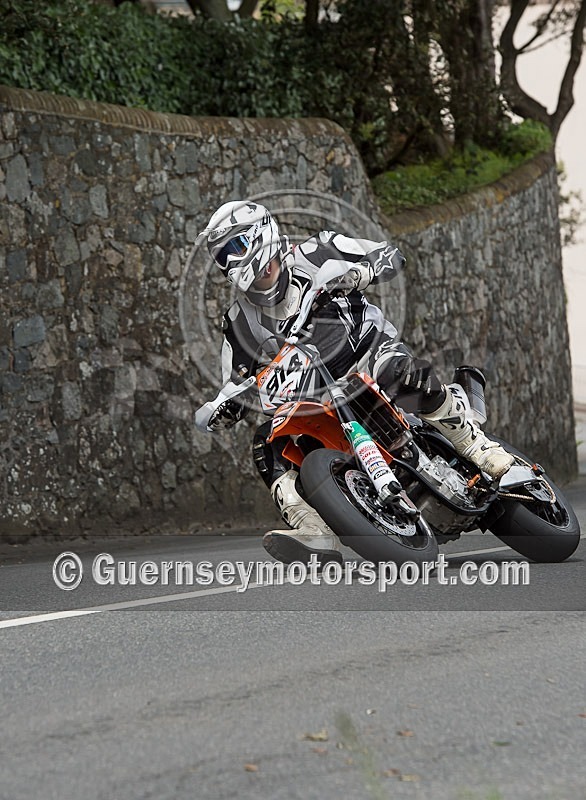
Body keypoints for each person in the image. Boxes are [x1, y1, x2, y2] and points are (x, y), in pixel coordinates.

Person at [195, 200, 514, 565]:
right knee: (265, 441)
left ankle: (475, 446)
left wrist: (362, 273)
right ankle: (312, 529)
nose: (229, 261)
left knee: (395, 370)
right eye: (221, 256)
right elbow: (234, 381)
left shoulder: (318, 251)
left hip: (369, 353)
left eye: (233, 248)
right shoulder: (238, 321)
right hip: (313, 395)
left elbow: (389, 255)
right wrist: (225, 405)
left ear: (259, 235)